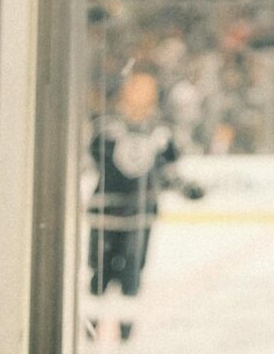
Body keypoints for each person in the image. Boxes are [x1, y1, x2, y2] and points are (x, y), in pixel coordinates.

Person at [85, 64, 204, 343]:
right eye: (135, 87)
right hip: (107, 214)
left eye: (146, 89)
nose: (140, 94)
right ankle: (88, 334)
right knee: (99, 276)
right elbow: (91, 161)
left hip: (141, 216)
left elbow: (167, 170)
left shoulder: (160, 132)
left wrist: (189, 188)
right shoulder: (106, 127)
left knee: (131, 278)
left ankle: (126, 337)